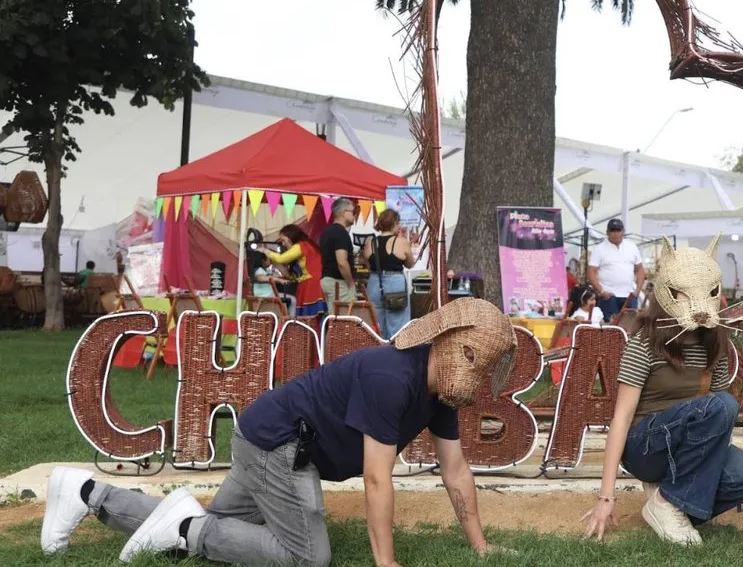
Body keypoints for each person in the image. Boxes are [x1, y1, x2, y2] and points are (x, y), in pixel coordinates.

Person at [41, 298, 519, 566]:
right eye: (482, 366)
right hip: (281, 446)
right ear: (461, 350)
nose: (482, 382)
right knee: (308, 558)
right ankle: (187, 528)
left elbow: (455, 470)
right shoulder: (391, 377)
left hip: (271, 441)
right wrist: (386, 563)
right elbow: (377, 478)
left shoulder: (440, 394)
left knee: (218, 530)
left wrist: (480, 546)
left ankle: (83, 492)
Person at [582, 237, 743, 545]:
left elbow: (718, 418)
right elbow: (622, 418)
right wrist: (606, 495)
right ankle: (671, 502)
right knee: (722, 404)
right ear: (668, 292)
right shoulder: (645, 342)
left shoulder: (716, 342)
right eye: (683, 292)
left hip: (689, 445)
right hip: (646, 445)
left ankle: (668, 501)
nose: (693, 300)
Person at [361, 209, 417, 339]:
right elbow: (409, 264)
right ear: (395, 223)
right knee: (398, 324)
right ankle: (396, 353)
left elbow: (369, 266)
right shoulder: (401, 241)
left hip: (375, 282)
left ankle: (379, 352)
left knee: (376, 323)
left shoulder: (370, 243)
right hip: (394, 283)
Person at [586, 218, 645, 323]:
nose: (615, 233)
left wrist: (637, 291)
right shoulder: (599, 249)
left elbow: (640, 269)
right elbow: (591, 272)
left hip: (629, 296)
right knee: (610, 328)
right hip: (609, 296)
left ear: (623, 231)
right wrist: (601, 291)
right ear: (607, 232)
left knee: (630, 327)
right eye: (612, 231)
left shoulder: (632, 246)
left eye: (618, 230)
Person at [266, 225, 326, 317]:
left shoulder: (301, 245)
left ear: (290, 236)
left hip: (312, 285)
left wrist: (265, 251)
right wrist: (274, 262)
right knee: (309, 319)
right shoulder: (302, 248)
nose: (282, 244)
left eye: (283, 240)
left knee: (311, 318)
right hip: (306, 285)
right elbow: (292, 276)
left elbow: (281, 259)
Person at [319, 197, 359, 313]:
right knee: (346, 320)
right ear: (343, 213)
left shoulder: (326, 232)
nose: (354, 215)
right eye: (352, 212)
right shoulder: (341, 233)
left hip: (327, 279)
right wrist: (351, 283)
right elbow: (342, 262)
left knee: (335, 319)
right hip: (339, 282)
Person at [249, 251, 295, 316]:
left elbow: (281, 275)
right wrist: (279, 280)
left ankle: (289, 317)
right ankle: (291, 319)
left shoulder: (266, 270)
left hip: (269, 294)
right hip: (265, 296)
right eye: (268, 258)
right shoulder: (259, 270)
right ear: (263, 260)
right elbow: (261, 278)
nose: (270, 260)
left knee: (291, 299)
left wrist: (276, 265)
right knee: (293, 300)